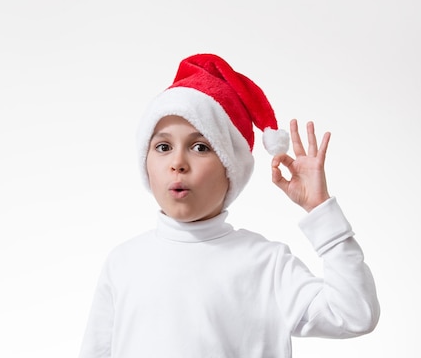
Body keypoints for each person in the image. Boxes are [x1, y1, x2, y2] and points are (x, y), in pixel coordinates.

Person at [78, 53, 380, 358]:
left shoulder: (266, 264)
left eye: (200, 147)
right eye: (163, 146)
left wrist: (320, 210)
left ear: (230, 166)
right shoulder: (123, 263)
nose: (177, 163)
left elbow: (355, 313)